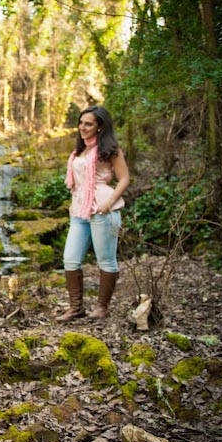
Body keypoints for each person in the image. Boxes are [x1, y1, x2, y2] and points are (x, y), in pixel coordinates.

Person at [57, 105, 130, 321]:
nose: (82, 127)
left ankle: (101, 308)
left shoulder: (110, 149)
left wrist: (108, 203)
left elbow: (124, 178)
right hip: (80, 210)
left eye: (88, 123)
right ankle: (76, 308)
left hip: (102, 210)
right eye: (81, 123)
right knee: (70, 259)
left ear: (100, 126)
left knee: (106, 261)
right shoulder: (80, 151)